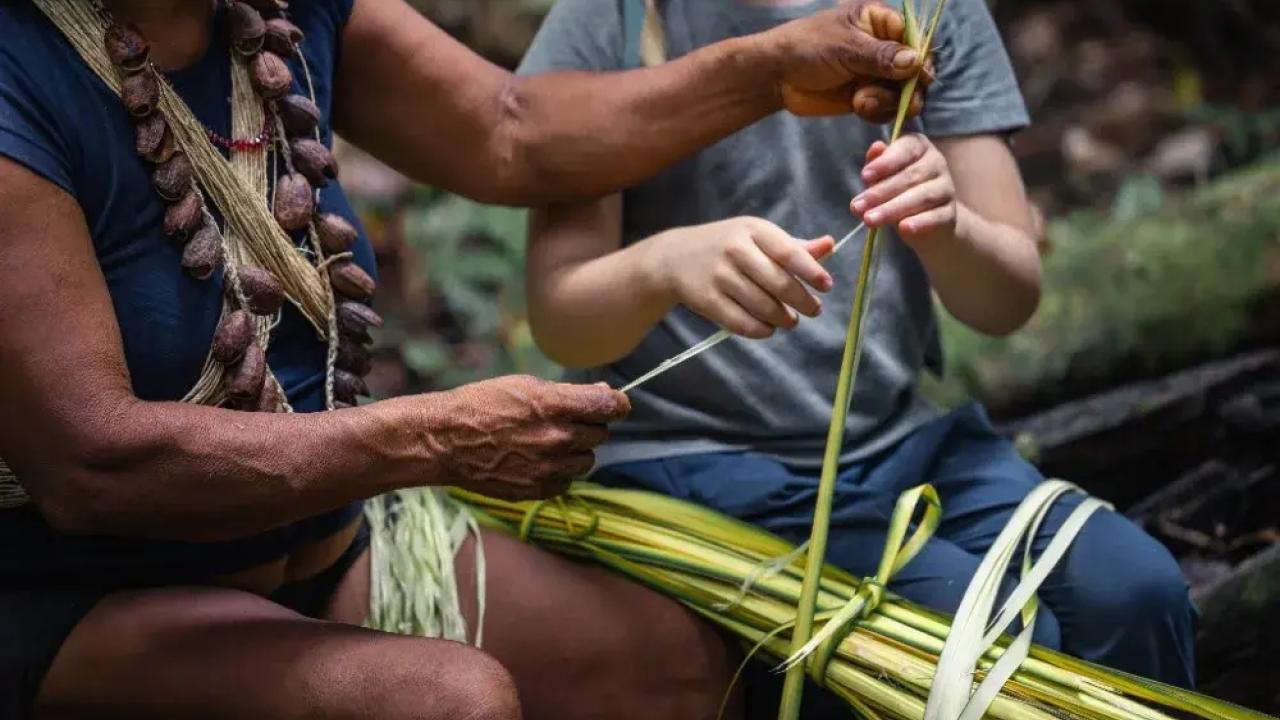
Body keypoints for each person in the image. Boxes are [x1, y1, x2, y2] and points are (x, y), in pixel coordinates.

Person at [0, 0, 929, 718]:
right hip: (81, 599)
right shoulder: (19, 69)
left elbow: (509, 127)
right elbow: (91, 461)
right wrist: (434, 440)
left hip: (324, 549)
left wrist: (767, 69)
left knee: (678, 672)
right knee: (452, 703)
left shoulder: (266, 13)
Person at [521, 0, 1199, 714]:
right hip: (685, 458)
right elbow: (563, 321)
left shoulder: (929, 12)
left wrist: (947, 226)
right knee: (984, 638)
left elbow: (1007, 300)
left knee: (1136, 595)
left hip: (899, 445)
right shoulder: (613, 18)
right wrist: (664, 265)